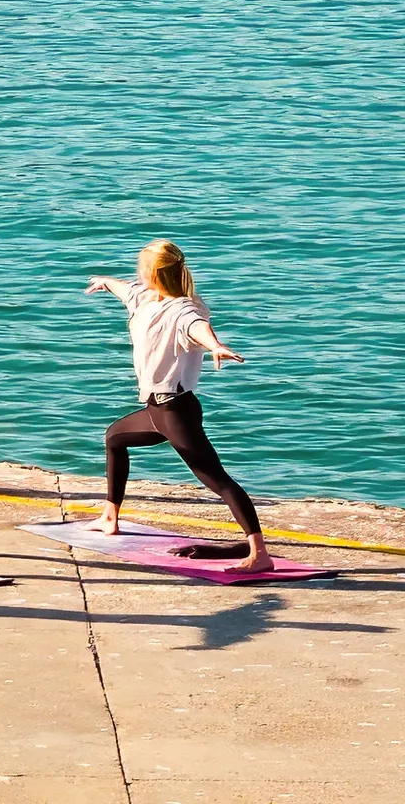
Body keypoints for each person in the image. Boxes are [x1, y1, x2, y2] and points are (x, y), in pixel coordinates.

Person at [85, 239, 273, 572]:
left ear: (154, 273)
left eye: (141, 268)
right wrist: (105, 282)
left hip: (176, 412)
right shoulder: (145, 297)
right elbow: (123, 289)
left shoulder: (183, 309)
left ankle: (259, 554)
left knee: (216, 479)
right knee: (114, 438)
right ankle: (109, 517)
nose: (137, 273)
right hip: (156, 410)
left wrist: (215, 346)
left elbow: (197, 327)